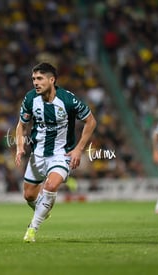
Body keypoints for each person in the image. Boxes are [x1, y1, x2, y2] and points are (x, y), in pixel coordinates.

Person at [15, 62, 96, 242]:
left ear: (52, 80)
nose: (35, 82)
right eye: (34, 79)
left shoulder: (68, 100)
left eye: (40, 79)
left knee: (50, 186)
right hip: (38, 154)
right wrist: (20, 146)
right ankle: (43, 208)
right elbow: (21, 125)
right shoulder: (30, 99)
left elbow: (91, 121)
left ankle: (32, 229)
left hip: (62, 153)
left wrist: (78, 149)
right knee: (28, 195)